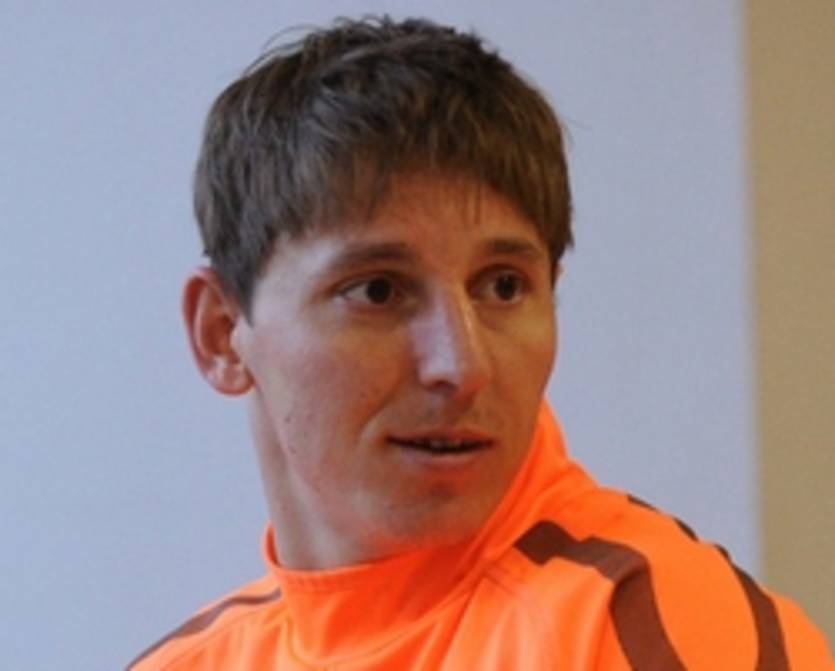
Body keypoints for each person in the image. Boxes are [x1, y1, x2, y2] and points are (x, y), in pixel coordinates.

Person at [129, 16, 833, 670]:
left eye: (502, 286)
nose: (460, 365)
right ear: (221, 334)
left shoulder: (653, 624)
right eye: (378, 291)